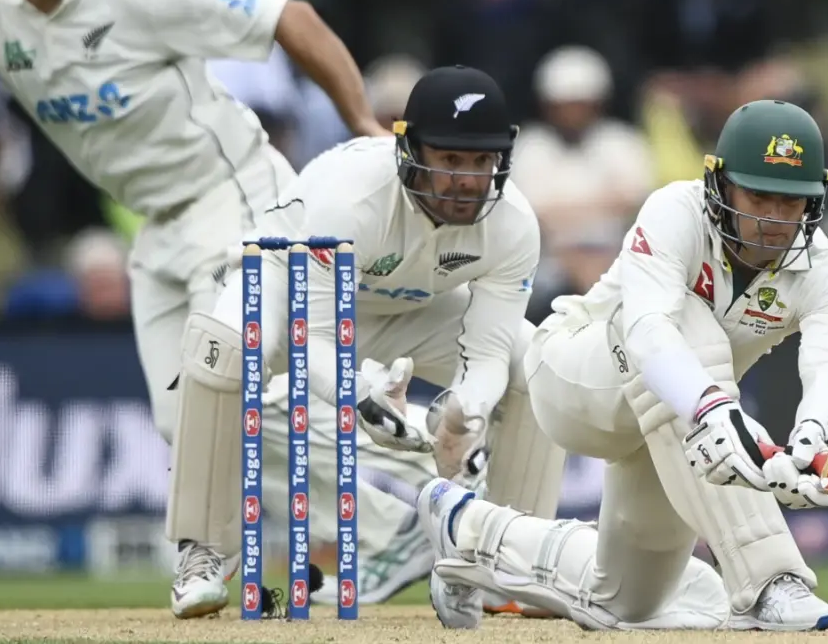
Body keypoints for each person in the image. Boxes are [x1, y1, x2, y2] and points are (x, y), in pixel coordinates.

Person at [0, 0, 387, 443]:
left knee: (224, 392)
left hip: (232, 195)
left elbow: (289, 16)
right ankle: (394, 515)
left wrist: (363, 121)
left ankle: (414, 471)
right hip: (155, 225)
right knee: (181, 427)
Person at [414, 100, 828, 632]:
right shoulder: (676, 211)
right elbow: (651, 334)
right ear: (718, 185)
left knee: (625, 603)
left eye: (790, 204)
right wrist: (714, 412)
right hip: (575, 375)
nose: (771, 221)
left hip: (673, 422)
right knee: (688, 328)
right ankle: (770, 581)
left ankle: (466, 528)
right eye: (759, 197)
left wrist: (808, 443)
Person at [164, 66, 566, 619]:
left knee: (539, 360)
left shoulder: (514, 222)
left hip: (413, 307)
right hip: (288, 289)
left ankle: (510, 563)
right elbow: (316, 339)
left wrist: (464, 412)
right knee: (228, 341)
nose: (467, 180)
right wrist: (360, 395)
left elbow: (491, 351)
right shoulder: (351, 198)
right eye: (449, 159)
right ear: (409, 150)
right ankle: (205, 551)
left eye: (480, 161)